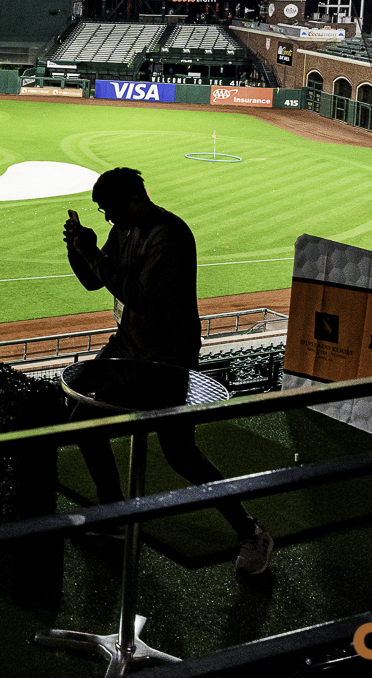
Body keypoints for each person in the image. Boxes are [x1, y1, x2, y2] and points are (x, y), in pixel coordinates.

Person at [63, 168, 273, 574]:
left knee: (180, 453)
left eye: (110, 212)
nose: (108, 220)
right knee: (83, 423)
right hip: (129, 347)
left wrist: (92, 251)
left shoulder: (170, 235)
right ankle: (115, 518)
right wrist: (78, 247)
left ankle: (250, 531)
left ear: (132, 200)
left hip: (166, 358)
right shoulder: (125, 228)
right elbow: (95, 281)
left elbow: (139, 295)